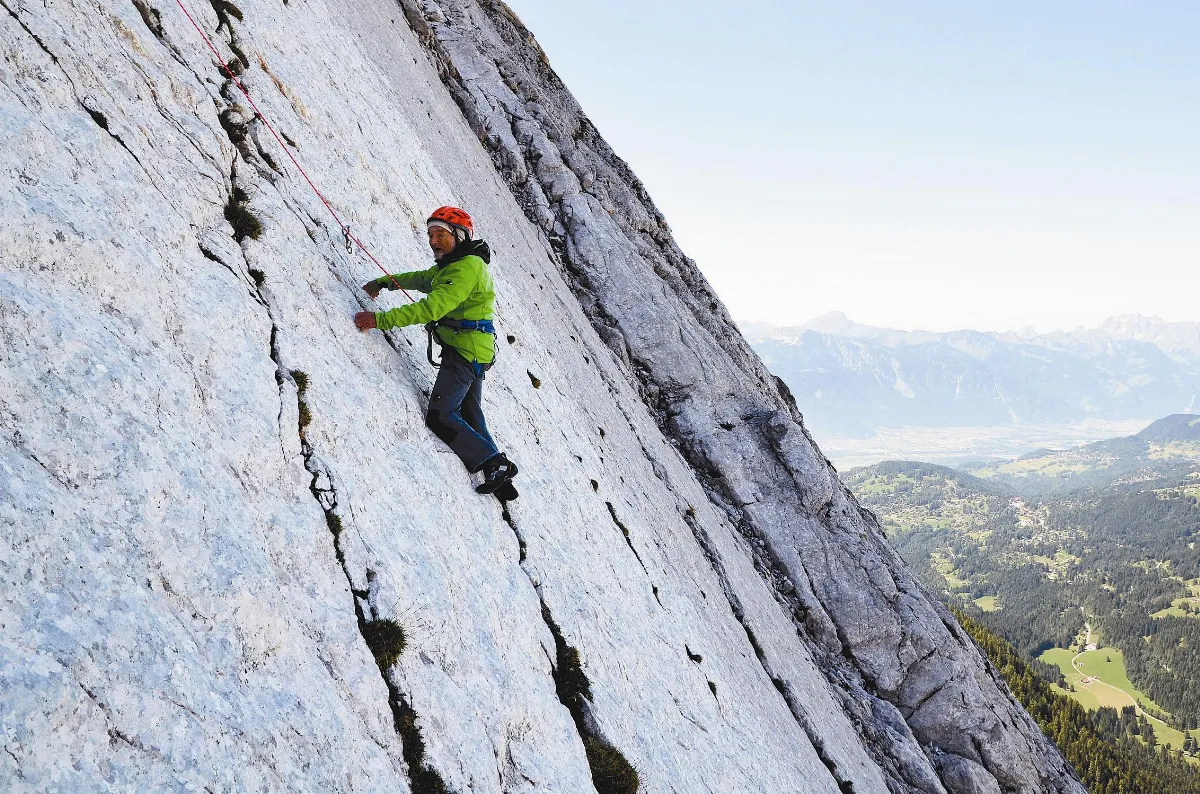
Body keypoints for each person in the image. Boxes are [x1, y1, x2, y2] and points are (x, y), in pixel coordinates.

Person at [354, 207, 518, 496]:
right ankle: (499, 473)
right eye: (430, 234)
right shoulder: (455, 264)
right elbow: (421, 279)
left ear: (460, 235)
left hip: (464, 353)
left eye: (441, 234)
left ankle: (493, 461)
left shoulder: (467, 268)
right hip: (474, 351)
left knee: (441, 415)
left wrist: (380, 320)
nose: (433, 240)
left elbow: (432, 307)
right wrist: (385, 282)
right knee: (470, 414)